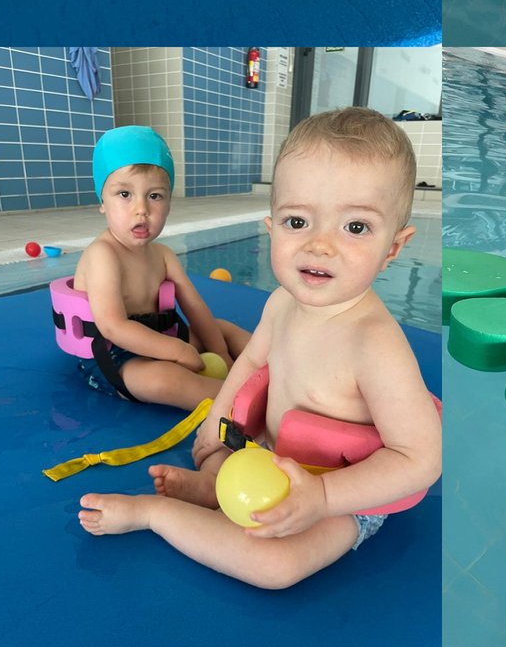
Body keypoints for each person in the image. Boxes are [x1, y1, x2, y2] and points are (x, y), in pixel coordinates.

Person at [77, 108, 442, 589]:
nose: (320, 246)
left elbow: (420, 459)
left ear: (394, 248)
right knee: (210, 452)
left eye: (355, 227)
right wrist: (216, 424)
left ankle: (155, 515)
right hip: (266, 455)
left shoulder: (375, 345)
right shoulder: (280, 303)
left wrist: (324, 498)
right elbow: (249, 363)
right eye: (298, 221)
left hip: (342, 491)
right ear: (271, 229)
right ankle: (212, 486)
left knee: (276, 567)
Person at [71, 125, 251, 409]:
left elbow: (195, 307)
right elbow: (113, 326)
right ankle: (240, 401)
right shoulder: (102, 255)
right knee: (164, 381)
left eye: (154, 196)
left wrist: (222, 354)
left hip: (164, 338)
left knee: (221, 329)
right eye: (125, 194)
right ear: (102, 201)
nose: (141, 209)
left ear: (168, 204)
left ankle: (278, 368)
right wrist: (176, 350)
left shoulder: (164, 254)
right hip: (115, 355)